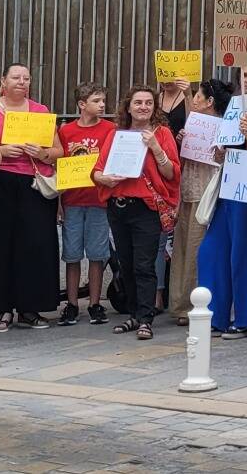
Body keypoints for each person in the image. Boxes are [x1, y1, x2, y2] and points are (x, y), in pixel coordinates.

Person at [0, 62, 63, 331]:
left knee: (35, 244)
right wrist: (1, 149)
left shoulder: (40, 111)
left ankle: (29, 308)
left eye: (27, 78)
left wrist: (43, 153)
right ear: (3, 80)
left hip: (34, 183)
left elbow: (58, 150)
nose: (22, 82)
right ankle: (1, 308)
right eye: (16, 77)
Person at [99, 86, 181, 340]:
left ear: (154, 108)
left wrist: (156, 147)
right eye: (138, 103)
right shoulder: (116, 135)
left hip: (146, 209)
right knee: (126, 263)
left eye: (148, 103)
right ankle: (134, 314)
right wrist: (106, 178)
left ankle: (146, 318)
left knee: (145, 265)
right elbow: (97, 170)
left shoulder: (163, 133)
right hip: (118, 207)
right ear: (128, 107)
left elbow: (172, 174)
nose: (143, 107)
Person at [193, 78, 247, 339]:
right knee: (211, 250)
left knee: (243, 253)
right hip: (227, 184)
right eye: (245, 76)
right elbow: (223, 152)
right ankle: (214, 315)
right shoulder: (234, 109)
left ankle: (245, 319)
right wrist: (220, 152)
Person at [167, 78, 228, 323]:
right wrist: (182, 141)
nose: (193, 101)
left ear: (209, 102)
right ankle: (180, 303)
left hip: (208, 193)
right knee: (182, 247)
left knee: (197, 249)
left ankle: (196, 303)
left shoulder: (224, 127)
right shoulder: (191, 126)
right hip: (188, 190)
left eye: (197, 97)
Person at [56, 84, 115, 326]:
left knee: (97, 254)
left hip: (98, 200)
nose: (102, 105)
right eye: (97, 101)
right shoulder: (66, 131)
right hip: (72, 199)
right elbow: (59, 165)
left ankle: (94, 303)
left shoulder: (110, 129)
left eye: (103, 101)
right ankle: (71, 303)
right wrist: (58, 202)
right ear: (82, 104)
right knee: (71, 254)